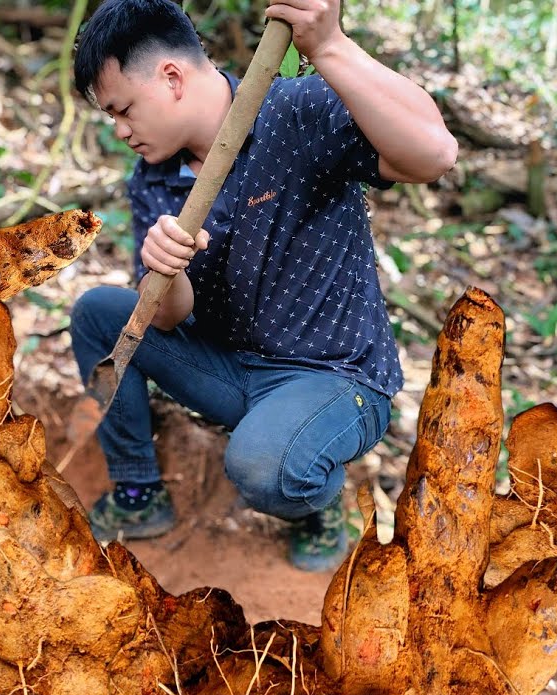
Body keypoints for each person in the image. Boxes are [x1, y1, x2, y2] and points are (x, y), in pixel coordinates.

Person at [68, 0, 457, 571]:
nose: (121, 131)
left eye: (123, 110)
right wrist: (163, 270)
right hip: (232, 371)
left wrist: (328, 48)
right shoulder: (153, 175)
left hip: (331, 377)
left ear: (171, 78)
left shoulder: (293, 112)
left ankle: (317, 500)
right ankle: (137, 492)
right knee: (100, 311)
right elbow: (170, 318)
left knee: (263, 468)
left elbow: (434, 155)